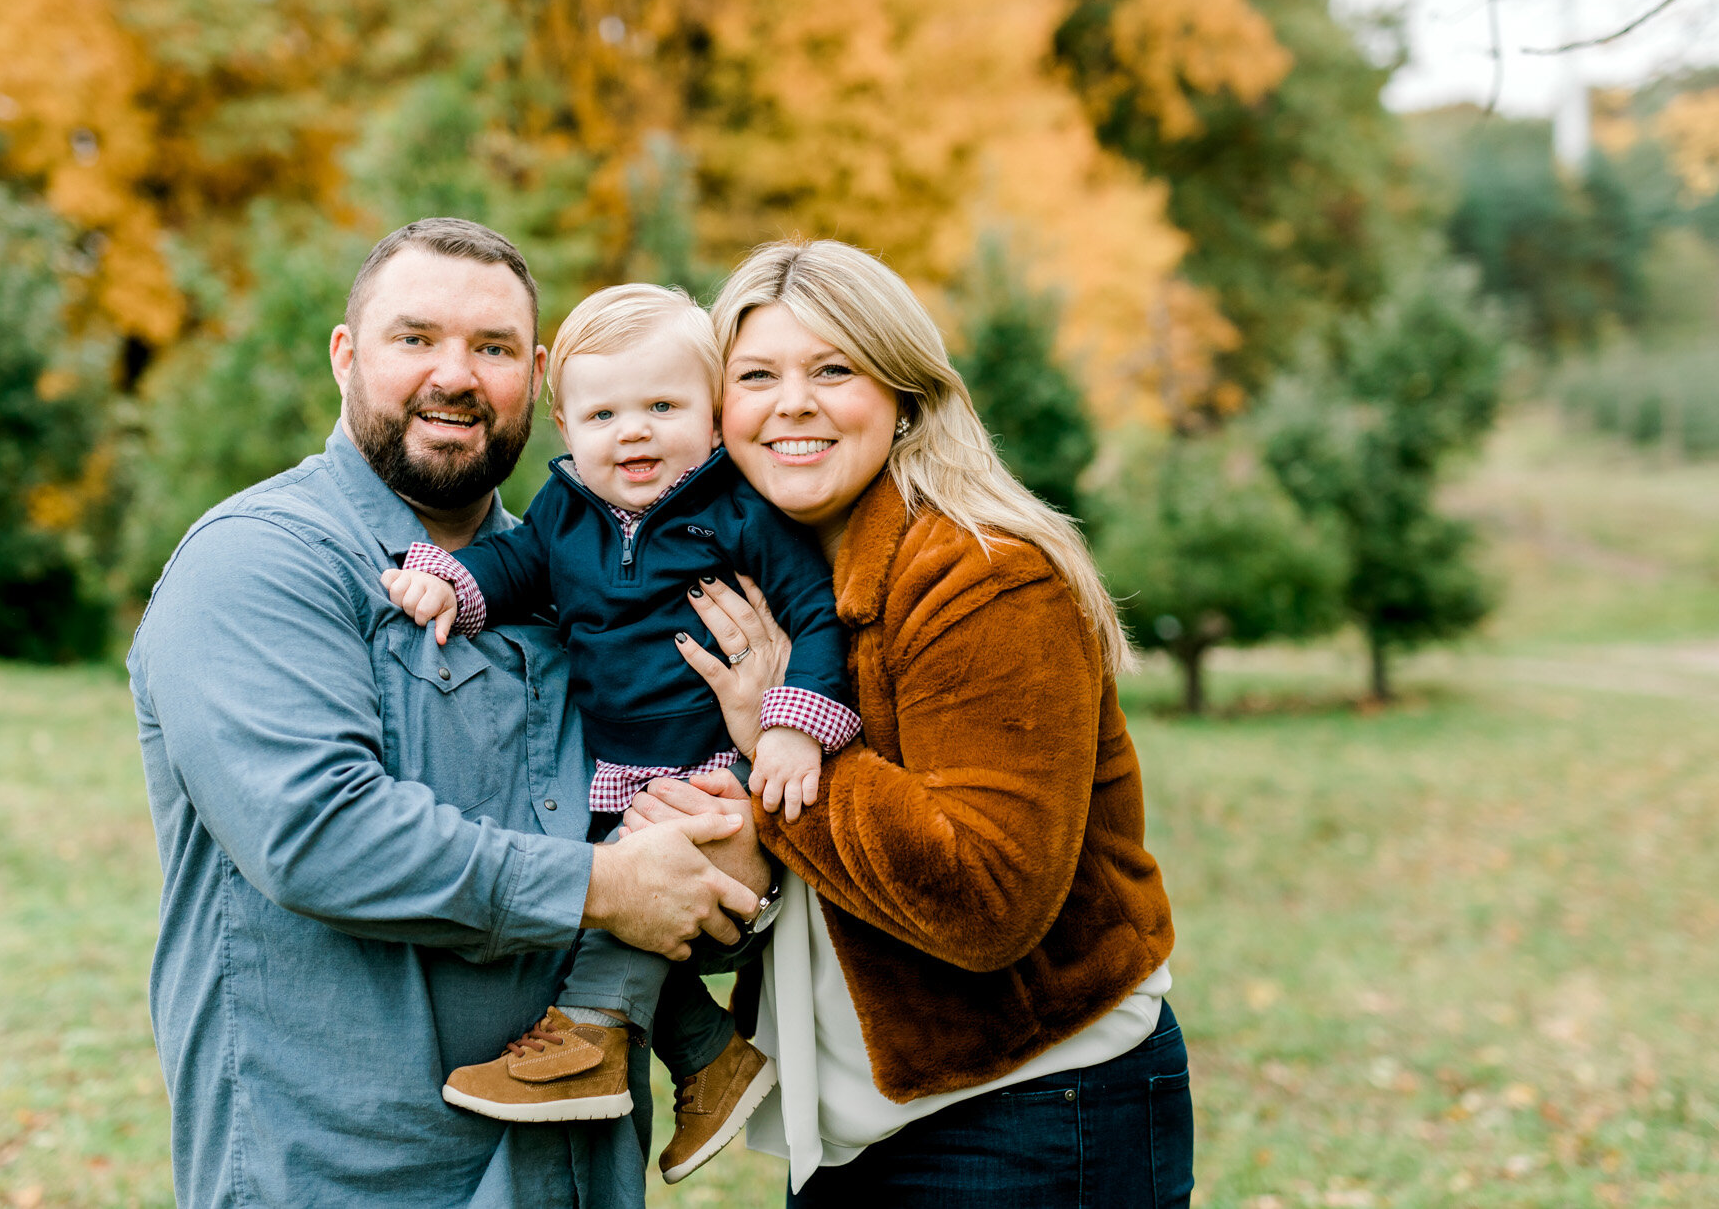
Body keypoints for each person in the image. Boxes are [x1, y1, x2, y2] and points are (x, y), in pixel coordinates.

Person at [126, 218, 770, 1208]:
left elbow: (681, 904)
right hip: (351, 1169)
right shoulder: (259, 561)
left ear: (542, 379)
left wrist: (745, 782)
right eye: (415, 339)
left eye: (494, 349)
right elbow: (315, 832)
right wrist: (604, 886)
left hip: (572, 1173)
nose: (455, 376)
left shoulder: (595, 584)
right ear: (346, 357)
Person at [624, 239, 1192, 1206]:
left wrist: (777, 745)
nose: (792, 402)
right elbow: (809, 868)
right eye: (757, 375)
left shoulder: (981, 574)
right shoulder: (764, 588)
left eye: (833, 369)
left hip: (1030, 1106)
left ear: (905, 394)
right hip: (860, 1119)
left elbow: (985, 898)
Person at [384, 283, 859, 1182]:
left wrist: (793, 728)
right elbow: (514, 564)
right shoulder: (566, 511)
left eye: (663, 406)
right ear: (566, 423)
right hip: (618, 770)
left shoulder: (739, 510)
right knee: (606, 902)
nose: (632, 431)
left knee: (617, 914)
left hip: (712, 760)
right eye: (604, 412)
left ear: (714, 418)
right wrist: (451, 582)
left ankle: (587, 1045)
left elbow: (817, 613)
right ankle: (711, 1058)